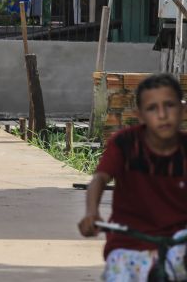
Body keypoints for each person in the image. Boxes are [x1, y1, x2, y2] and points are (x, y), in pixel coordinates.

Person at [78, 73, 187, 282]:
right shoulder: (125, 143)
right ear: (140, 115)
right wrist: (92, 213)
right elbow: (100, 179)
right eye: (152, 108)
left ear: (182, 109)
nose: (162, 115)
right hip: (129, 242)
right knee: (120, 273)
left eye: (169, 106)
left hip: (179, 243)